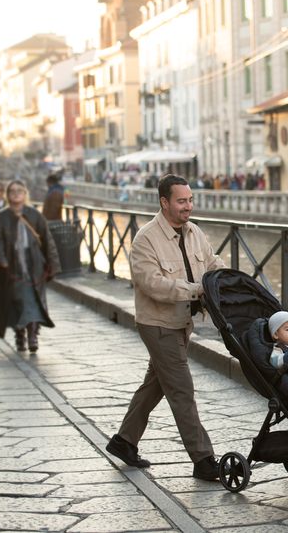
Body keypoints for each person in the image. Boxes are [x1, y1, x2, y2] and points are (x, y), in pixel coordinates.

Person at [106, 174, 226, 480]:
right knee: (181, 390)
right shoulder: (145, 239)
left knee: (156, 384)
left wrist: (229, 279)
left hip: (183, 322)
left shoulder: (194, 232)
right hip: (158, 324)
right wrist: (195, 290)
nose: (188, 206)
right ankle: (203, 459)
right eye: (182, 201)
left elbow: (211, 263)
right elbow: (152, 284)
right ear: (164, 202)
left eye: (190, 200)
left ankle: (124, 441)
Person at [0, 180, 60, 353]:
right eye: (12, 191)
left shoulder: (34, 214)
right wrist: (3, 260)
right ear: (7, 194)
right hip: (12, 265)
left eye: (19, 190)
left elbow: (47, 239)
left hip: (34, 264)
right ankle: (20, 333)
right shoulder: (1, 217)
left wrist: (53, 264)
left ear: (25, 193)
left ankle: (33, 335)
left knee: (34, 299)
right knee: (16, 300)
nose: (16, 193)